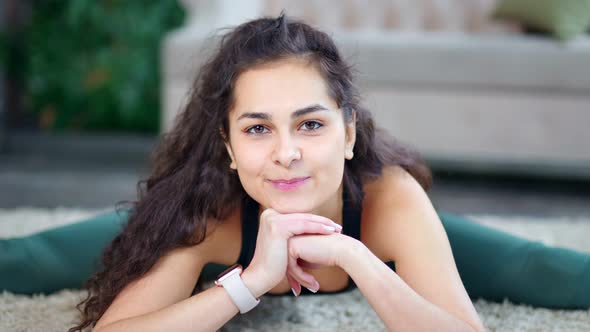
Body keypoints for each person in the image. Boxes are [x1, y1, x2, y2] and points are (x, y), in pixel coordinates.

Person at [1, 13, 588, 332]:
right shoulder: (208, 212)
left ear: (350, 131)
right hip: (225, 226)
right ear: (227, 146)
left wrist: (361, 259)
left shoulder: (392, 199)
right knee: (31, 260)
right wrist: (247, 283)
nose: (286, 153)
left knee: (542, 268)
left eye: (310, 125)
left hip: (363, 221)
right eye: (257, 129)